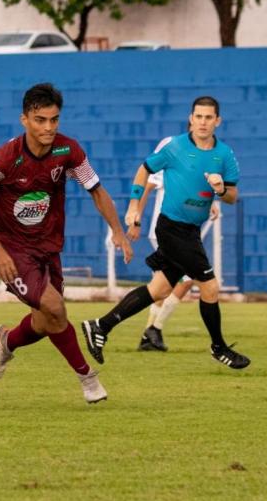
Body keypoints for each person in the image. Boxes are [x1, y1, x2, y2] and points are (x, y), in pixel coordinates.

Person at [0, 83, 132, 405]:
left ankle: (6, 340)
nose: (48, 127)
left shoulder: (68, 151)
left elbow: (96, 189)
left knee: (47, 320)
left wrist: (118, 230)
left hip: (48, 246)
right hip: (9, 248)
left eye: (54, 120)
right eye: (40, 120)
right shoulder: (2, 159)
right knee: (55, 307)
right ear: (24, 119)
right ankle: (87, 379)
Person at [82, 96, 250, 370]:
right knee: (209, 285)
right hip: (171, 228)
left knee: (158, 289)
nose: (203, 122)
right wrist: (135, 206)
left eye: (209, 117)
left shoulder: (225, 155)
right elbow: (145, 169)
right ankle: (219, 347)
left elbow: (232, 195)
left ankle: (100, 326)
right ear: (191, 118)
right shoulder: (175, 147)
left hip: (191, 231)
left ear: (217, 121)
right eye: (198, 116)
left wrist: (220, 191)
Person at [134, 137, 220, 352]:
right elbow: (148, 183)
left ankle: (149, 332)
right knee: (187, 279)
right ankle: (152, 329)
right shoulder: (172, 147)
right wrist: (136, 216)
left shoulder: (198, 156)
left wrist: (209, 203)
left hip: (180, 231)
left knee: (166, 284)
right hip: (167, 230)